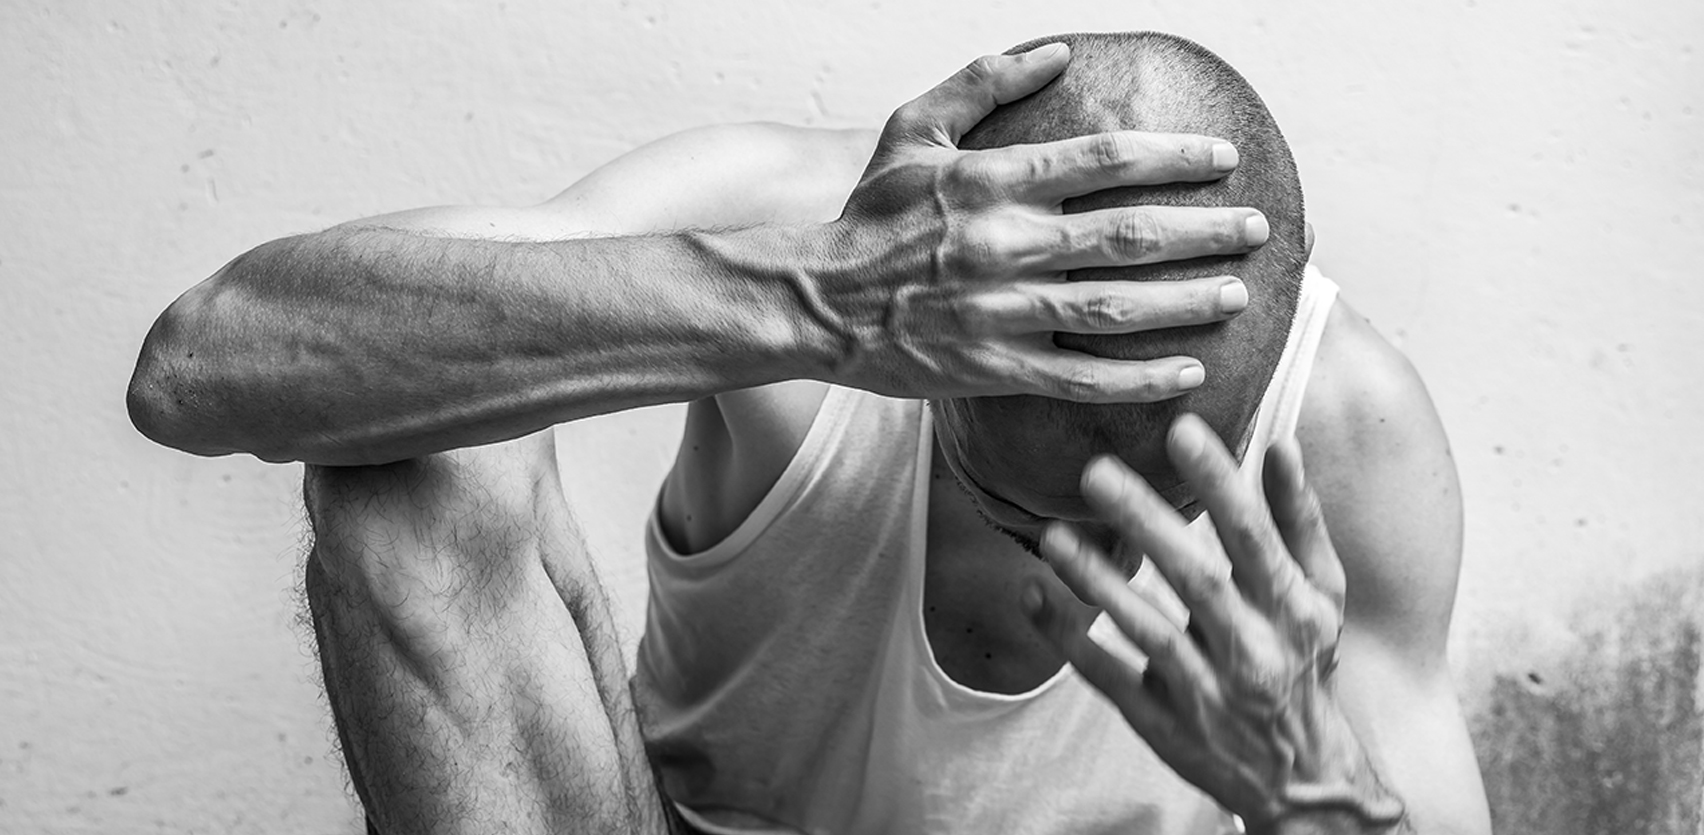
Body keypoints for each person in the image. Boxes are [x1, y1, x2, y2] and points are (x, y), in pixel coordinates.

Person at [129, 30, 1492, 835]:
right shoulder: (812, 234)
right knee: (414, 457)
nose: (1067, 567)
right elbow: (203, 363)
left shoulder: (1353, 435)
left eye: (1150, 515)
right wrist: (814, 305)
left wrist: (1315, 802)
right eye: (1024, 509)